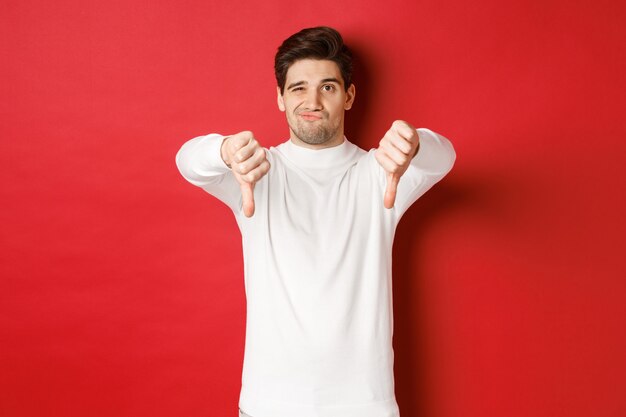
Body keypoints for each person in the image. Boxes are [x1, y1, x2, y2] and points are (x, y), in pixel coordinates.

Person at [176, 26, 455, 417]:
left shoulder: (381, 170)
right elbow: (187, 161)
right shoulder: (254, 170)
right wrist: (222, 150)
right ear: (279, 97)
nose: (312, 100)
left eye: (327, 87)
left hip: (365, 405)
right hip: (268, 405)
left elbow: (444, 159)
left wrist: (415, 142)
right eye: (298, 88)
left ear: (349, 96)